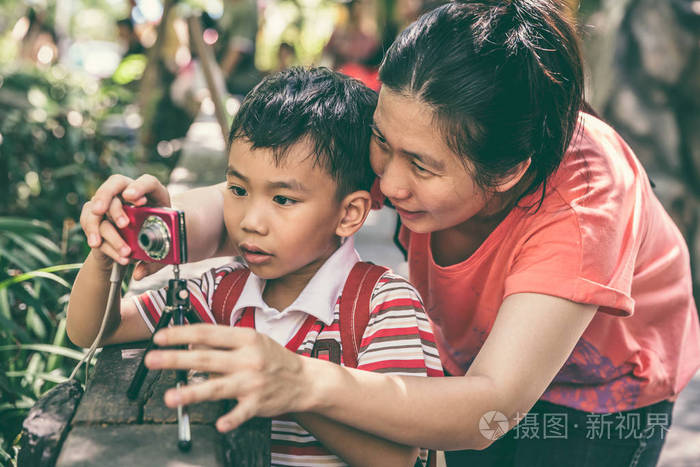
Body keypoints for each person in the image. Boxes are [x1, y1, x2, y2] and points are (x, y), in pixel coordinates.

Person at [80, 1, 700, 466]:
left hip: (598, 398)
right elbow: (278, 200)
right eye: (382, 140)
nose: (389, 182)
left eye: (421, 166)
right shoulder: (420, 125)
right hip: (472, 364)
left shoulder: (584, 206)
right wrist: (150, 223)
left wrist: (300, 380)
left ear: (508, 173)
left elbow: (489, 407)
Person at [67, 67, 441, 466]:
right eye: (238, 190)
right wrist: (107, 252)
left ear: (349, 214)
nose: (250, 221)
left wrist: (288, 386)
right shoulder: (220, 293)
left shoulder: (382, 306)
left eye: (283, 200)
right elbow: (92, 328)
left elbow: (395, 457)